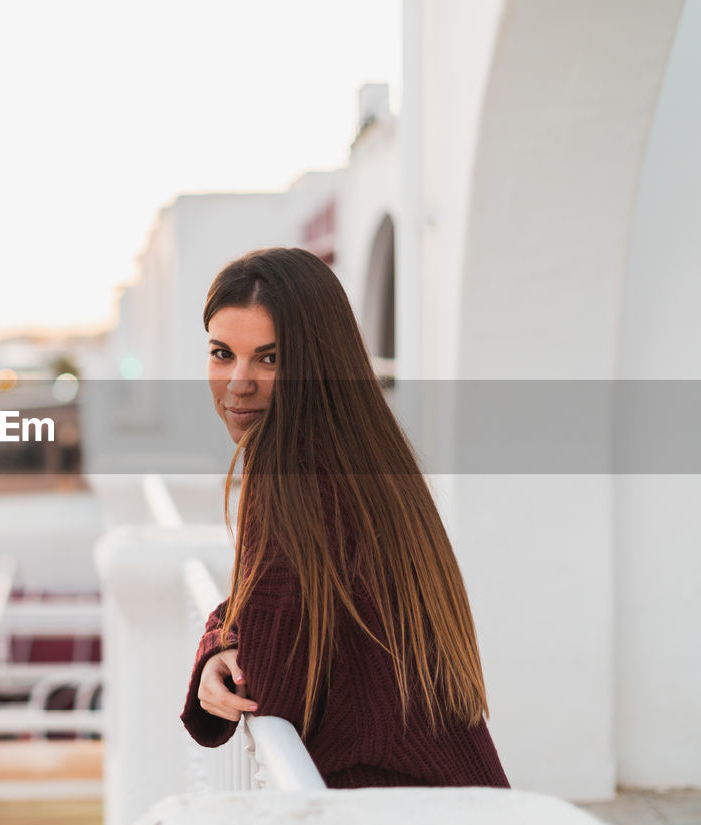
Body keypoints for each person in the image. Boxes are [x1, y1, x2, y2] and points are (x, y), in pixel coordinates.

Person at [180, 247, 510, 789]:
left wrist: (221, 642)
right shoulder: (365, 452)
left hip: (396, 812)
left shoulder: (296, 472)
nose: (239, 382)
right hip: (448, 799)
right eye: (222, 353)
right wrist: (223, 638)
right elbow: (279, 607)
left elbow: (266, 682)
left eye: (270, 358)